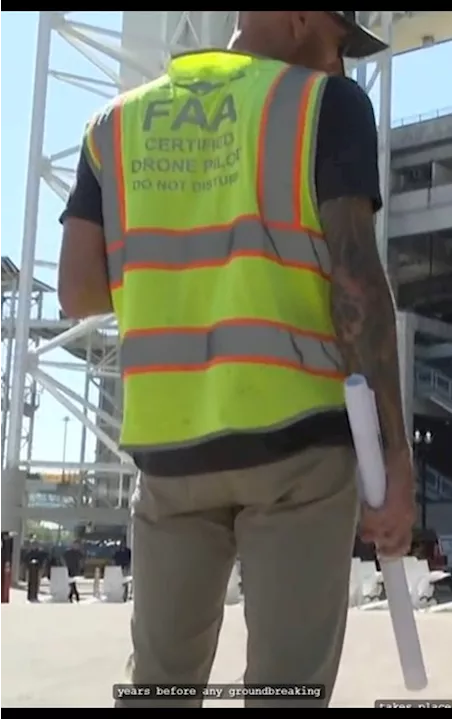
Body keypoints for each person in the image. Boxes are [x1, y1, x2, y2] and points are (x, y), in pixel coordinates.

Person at [57, 11, 415, 708]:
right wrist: (394, 456)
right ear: (298, 19)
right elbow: (357, 282)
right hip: (296, 453)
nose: (344, 66)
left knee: (159, 687)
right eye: (340, 46)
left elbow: (78, 291)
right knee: (287, 690)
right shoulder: (324, 105)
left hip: (169, 457)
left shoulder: (112, 128)